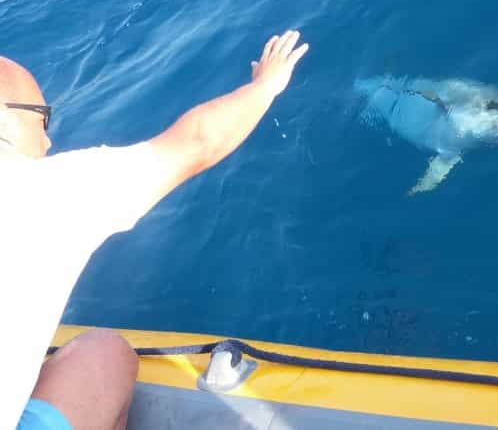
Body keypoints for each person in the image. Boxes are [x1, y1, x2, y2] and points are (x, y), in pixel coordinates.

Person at [1, 30, 309, 430]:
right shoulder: (41, 192)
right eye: (42, 118)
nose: (48, 138)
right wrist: (267, 85)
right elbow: (197, 143)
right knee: (105, 353)